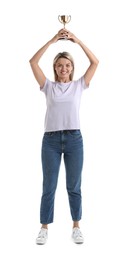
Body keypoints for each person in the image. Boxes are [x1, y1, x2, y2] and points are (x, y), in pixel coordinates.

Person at [29, 28, 99, 245]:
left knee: (73, 185)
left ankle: (76, 227)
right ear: (55, 68)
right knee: (49, 185)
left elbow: (95, 62)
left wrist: (76, 40)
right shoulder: (47, 86)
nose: (63, 68)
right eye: (59, 65)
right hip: (50, 140)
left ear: (72, 68)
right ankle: (44, 228)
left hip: (74, 140)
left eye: (67, 65)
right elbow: (32, 62)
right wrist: (52, 41)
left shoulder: (79, 85)